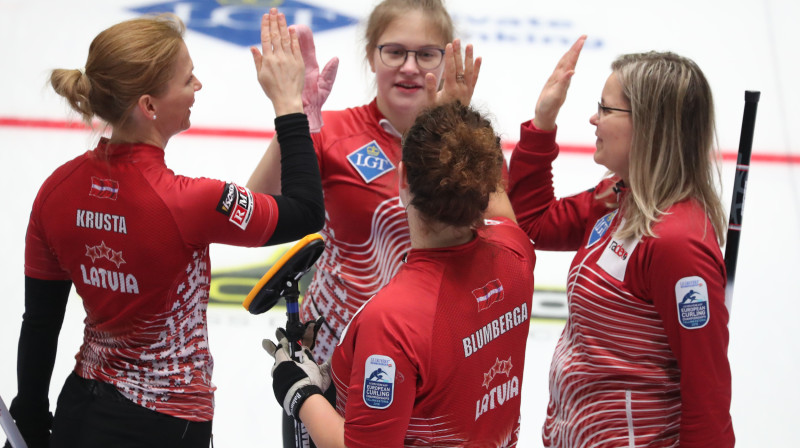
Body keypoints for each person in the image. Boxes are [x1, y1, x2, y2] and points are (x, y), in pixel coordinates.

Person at [5, 9, 323, 448]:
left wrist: (31, 421)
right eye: (188, 79)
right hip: (165, 423)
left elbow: (40, 322)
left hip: (80, 412)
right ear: (149, 106)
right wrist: (289, 107)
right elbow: (307, 211)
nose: (198, 87)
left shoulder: (56, 191)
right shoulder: (185, 201)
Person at [247, 1, 480, 445]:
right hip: (332, 363)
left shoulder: (466, 146)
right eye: (395, 52)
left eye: (426, 54)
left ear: (446, 59)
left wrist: (455, 130)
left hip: (428, 363)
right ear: (372, 55)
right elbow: (257, 213)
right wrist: (295, 119)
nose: (410, 68)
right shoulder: (333, 130)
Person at [264, 101, 536, 448]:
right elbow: (498, 208)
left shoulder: (392, 322)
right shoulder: (516, 252)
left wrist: (299, 392)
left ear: (403, 177)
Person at [507, 36, 735, 446]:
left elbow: (708, 394)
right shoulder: (619, 195)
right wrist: (543, 122)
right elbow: (533, 222)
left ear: (650, 124)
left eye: (605, 109)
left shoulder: (677, 244)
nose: (594, 120)